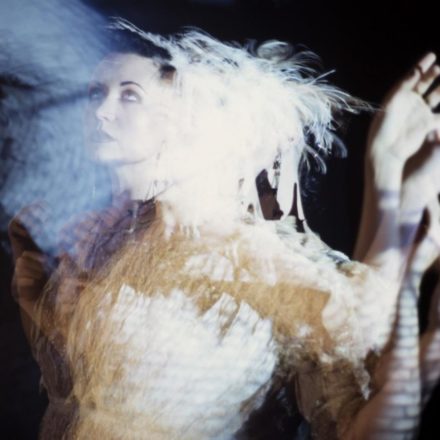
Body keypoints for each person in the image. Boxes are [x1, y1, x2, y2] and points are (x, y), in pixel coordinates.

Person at [9, 19, 440, 439]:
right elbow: (82, 393)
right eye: (96, 93)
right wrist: (38, 301)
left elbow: (357, 400)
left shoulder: (266, 263)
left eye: (130, 95)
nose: (101, 112)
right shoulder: (114, 241)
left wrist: (386, 176)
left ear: (191, 118)